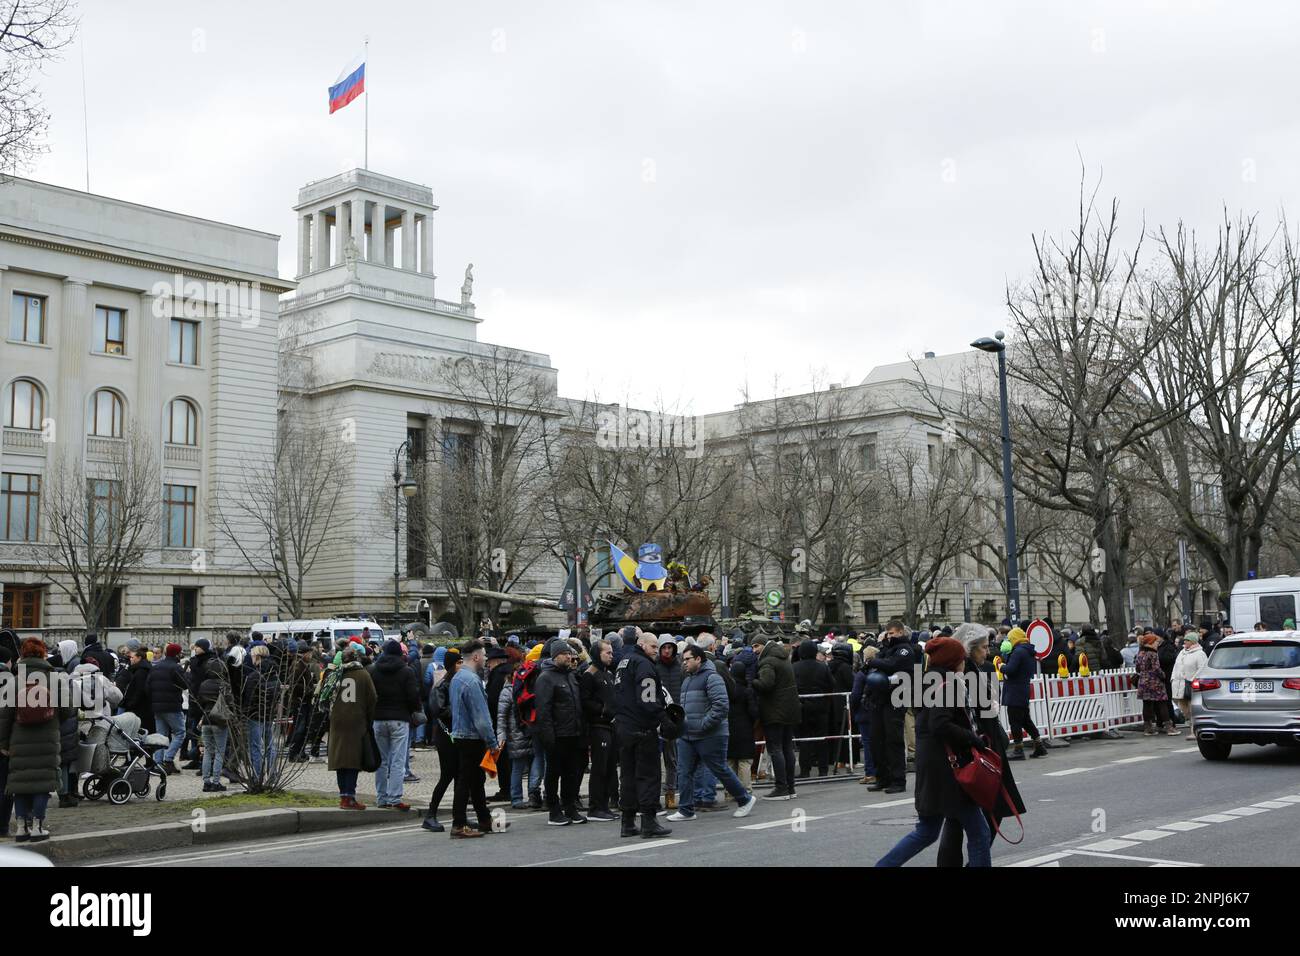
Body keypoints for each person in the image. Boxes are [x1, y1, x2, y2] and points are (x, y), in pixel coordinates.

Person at [875, 636, 992, 868]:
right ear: (952, 661)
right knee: (980, 833)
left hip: (932, 768)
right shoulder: (947, 685)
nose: (963, 663)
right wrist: (974, 739)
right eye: (960, 658)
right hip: (950, 772)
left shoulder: (926, 682)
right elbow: (940, 724)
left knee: (927, 831)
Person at [937, 623, 1024, 866]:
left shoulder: (973, 669)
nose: (988, 652)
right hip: (979, 752)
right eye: (984, 647)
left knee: (959, 819)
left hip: (976, 750)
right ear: (969, 648)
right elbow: (976, 716)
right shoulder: (967, 674)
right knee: (989, 813)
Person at [666, 645, 757, 821]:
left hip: (711, 734)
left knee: (719, 768)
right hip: (688, 734)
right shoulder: (687, 680)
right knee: (684, 771)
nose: (684, 663)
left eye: (687, 659)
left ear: (698, 659)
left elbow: (721, 706)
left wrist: (703, 725)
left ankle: (745, 799)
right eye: (683, 660)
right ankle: (686, 809)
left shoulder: (713, 677)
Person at [0, 640, 77, 843]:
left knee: (20, 783)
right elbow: (68, 711)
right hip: (47, 739)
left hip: (19, 739)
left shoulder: (14, 681)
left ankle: (20, 827)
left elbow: (4, 717)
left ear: (22, 656)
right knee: (42, 784)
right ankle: (37, 827)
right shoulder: (55, 679)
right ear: (43, 655)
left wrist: (3, 743)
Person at [613, 628, 672, 838]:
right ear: (642, 645)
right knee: (648, 775)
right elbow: (647, 699)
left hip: (624, 727)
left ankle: (627, 822)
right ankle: (649, 822)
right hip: (642, 727)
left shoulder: (623, 662)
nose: (656, 651)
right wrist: (663, 717)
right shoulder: (644, 664)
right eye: (653, 647)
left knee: (627, 776)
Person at [448, 641, 503, 838]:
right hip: (472, 736)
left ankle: (484, 819)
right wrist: (492, 742)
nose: (486, 659)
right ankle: (459, 823)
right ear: (477, 657)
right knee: (466, 781)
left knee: (475, 780)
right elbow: (481, 717)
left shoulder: (457, 678)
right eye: (485, 655)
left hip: (461, 734)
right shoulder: (472, 681)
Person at [864, 620, 917, 792]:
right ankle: (883, 777)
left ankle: (898, 780)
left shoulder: (905, 650)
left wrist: (873, 662)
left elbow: (892, 665)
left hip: (896, 697)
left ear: (901, 632)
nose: (889, 636)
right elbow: (875, 666)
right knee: (876, 739)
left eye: (892, 633)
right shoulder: (886, 649)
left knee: (893, 739)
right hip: (880, 698)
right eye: (887, 633)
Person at [368, 639, 419, 810]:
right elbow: (413, 696)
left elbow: (370, 695)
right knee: (397, 760)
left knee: (381, 760)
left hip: (379, 718)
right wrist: (414, 711)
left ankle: (381, 797)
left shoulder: (374, 670)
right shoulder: (406, 671)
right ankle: (395, 798)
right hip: (399, 718)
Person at [751, 634, 801, 800]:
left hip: (774, 711)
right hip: (789, 709)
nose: (754, 651)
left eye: (755, 646)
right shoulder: (783, 657)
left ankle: (781, 787)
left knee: (776, 748)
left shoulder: (767, 662)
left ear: (762, 645)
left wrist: (752, 681)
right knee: (787, 748)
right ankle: (790, 787)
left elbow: (766, 684)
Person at [328, 643, 377, 809]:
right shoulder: (363, 674)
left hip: (337, 721)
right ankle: (350, 797)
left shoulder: (336, 673)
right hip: (356, 721)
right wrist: (368, 720)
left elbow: (325, 697)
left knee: (340, 760)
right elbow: (372, 699)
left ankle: (343, 797)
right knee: (353, 760)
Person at [578, 637, 619, 822]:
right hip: (598, 727)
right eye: (607, 652)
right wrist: (603, 710)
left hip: (610, 726)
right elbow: (584, 701)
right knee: (599, 768)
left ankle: (604, 806)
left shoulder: (607, 674)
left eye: (611, 652)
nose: (611, 655)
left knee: (610, 768)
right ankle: (595, 807)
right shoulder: (590, 674)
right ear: (597, 653)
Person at [422, 646, 462, 832]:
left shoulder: (457, 683)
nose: (463, 665)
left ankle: (459, 816)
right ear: (452, 665)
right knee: (447, 776)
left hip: (457, 734)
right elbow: (438, 710)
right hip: (446, 736)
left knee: (461, 777)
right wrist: (460, 711)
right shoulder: (442, 686)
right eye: (460, 663)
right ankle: (430, 815)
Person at [497, 653, 543, 811]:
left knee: (529, 766)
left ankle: (529, 794)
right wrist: (501, 736)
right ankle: (516, 797)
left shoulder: (520, 690)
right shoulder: (508, 692)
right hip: (517, 735)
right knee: (518, 768)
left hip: (524, 733)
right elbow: (501, 717)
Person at [999, 627, 1047, 759]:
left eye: (1010, 638)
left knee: (1014, 721)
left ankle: (1018, 750)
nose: (1008, 640)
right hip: (1023, 690)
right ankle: (1039, 745)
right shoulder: (1027, 651)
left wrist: (1000, 666)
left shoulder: (1018, 652)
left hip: (1015, 691)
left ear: (1014, 638)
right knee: (1025, 720)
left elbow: (1010, 669)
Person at [194, 642, 234, 792]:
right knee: (219, 752)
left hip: (206, 719)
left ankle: (206, 781)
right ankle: (216, 782)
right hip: (219, 721)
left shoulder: (204, 684)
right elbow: (230, 702)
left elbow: (200, 702)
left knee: (207, 752)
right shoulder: (224, 685)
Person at [792, 639, 833, 778]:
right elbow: (831, 684)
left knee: (804, 740)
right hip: (820, 707)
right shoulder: (823, 667)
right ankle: (823, 770)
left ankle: (805, 770)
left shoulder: (794, 667)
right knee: (822, 740)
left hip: (802, 706)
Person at [148, 643, 189, 773]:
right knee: (180, 732)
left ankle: (158, 763)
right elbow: (185, 684)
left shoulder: (156, 667)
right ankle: (168, 758)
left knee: (161, 736)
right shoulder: (175, 668)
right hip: (172, 705)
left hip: (157, 706)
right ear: (177, 654)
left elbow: (147, 686)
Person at [654, 636, 683, 809]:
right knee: (654, 760)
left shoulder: (679, 667)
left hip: (674, 717)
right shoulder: (654, 666)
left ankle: (670, 794)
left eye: (669, 647)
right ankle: (654, 794)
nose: (667, 650)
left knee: (671, 759)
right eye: (664, 647)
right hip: (658, 717)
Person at [483, 646, 512, 801]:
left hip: (499, 721)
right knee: (510, 757)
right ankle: (512, 789)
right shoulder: (510, 671)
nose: (488, 664)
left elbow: (493, 700)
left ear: (497, 661)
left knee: (502, 757)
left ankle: (505, 789)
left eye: (490, 661)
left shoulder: (497, 674)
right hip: (512, 721)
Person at [726, 659, 759, 799]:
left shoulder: (726, 690)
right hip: (745, 730)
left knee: (730, 762)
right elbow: (754, 712)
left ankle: (729, 792)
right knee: (744, 763)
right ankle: (746, 792)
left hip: (728, 729)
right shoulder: (747, 691)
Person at [1136, 632, 1176, 736]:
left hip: (1143, 681)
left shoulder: (1140, 653)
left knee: (1147, 704)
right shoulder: (1153, 654)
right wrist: (1163, 675)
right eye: (1156, 642)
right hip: (1154, 682)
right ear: (1150, 643)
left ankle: (1148, 728)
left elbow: (1137, 668)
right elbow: (1156, 668)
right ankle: (1169, 728)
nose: (1157, 644)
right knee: (1162, 703)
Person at [1171, 633, 1208, 741]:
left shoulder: (1200, 654)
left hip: (1191, 684)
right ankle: (1191, 725)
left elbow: (1202, 669)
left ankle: (1194, 730)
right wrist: (1173, 678)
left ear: (1193, 641)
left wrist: (1193, 680)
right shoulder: (1182, 653)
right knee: (1184, 709)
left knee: (1192, 708)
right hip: (1179, 684)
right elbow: (1176, 667)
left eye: (1187, 640)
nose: (1184, 642)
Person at [827, 642, 855, 773]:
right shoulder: (845, 667)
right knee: (847, 731)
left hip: (832, 702)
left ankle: (838, 760)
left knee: (836, 732)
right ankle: (847, 759)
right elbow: (851, 684)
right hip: (845, 702)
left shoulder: (829, 666)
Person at [119, 648, 154, 732]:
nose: (130, 659)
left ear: (139, 658)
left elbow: (139, 690)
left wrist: (131, 704)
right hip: (140, 706)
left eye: (132, 657)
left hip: (139, 707)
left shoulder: (141, 671)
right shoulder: (140, 669)